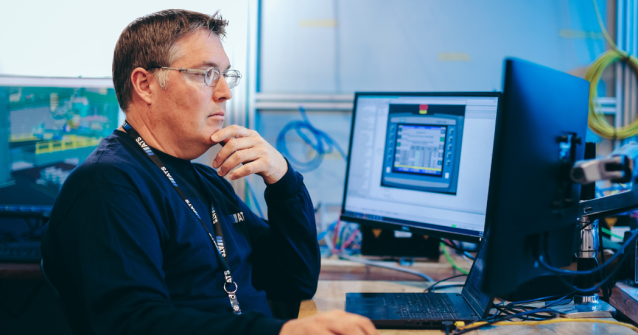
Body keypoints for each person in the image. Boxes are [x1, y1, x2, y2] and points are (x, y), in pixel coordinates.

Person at [41, 9, 378, 335]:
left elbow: (294, 281)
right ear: (145, 84)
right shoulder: (108, 186)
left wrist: (283, 180)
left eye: (225, 75)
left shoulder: (203, 179)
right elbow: (136, 324)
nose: (225, 92)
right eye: (206, 74)